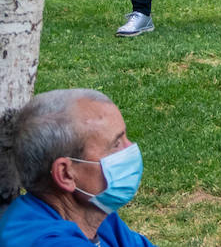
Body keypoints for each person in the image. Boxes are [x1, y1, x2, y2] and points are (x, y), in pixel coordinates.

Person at [1, 89, 157, 246]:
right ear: (65, 174)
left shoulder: (99, 217)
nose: (130, 149)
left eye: (125, 137)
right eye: (115, 145)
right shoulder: (45, 241)